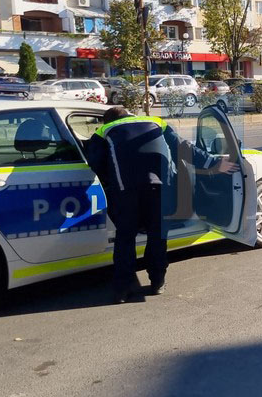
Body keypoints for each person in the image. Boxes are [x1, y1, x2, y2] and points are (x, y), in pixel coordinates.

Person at [86, 107, 236, 303]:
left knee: (125, 239)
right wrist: (214, 164)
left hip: (125, 190)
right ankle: (157, 281)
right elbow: (184, 148)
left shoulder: (103, 131)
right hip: (159, 188)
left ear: (107, 120)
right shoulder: (157, 122)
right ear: (131, 115)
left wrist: (111, 182)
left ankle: (122, 290)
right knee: (157, 236)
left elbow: (95, 162)